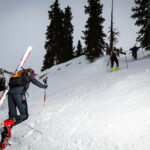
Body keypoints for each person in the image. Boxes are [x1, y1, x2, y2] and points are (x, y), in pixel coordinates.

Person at [0, 68, 47, 149]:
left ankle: (3, 140)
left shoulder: (19, 74)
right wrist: (44, 86)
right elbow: (35, 81)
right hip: (19, 95)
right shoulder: (28, 73)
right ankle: (7, 124)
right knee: (24, 115)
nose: (33, 75)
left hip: (10, 95)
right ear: (32, 72)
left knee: (12, 118)